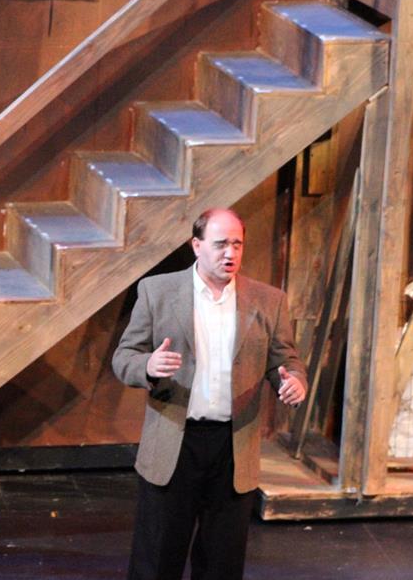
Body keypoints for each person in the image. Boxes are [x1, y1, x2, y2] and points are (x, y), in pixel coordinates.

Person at [112, 207, 307, 580]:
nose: (230, 253)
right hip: (175, 441)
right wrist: (148, 366)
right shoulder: (157, 291)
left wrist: (293, 380)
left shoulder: (268, 300)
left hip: (233, 447)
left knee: (222, 563)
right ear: (197, 245)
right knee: (157, 560)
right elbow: (124, 358)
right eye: (220, 244)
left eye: (237, 244)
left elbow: (285, 361)